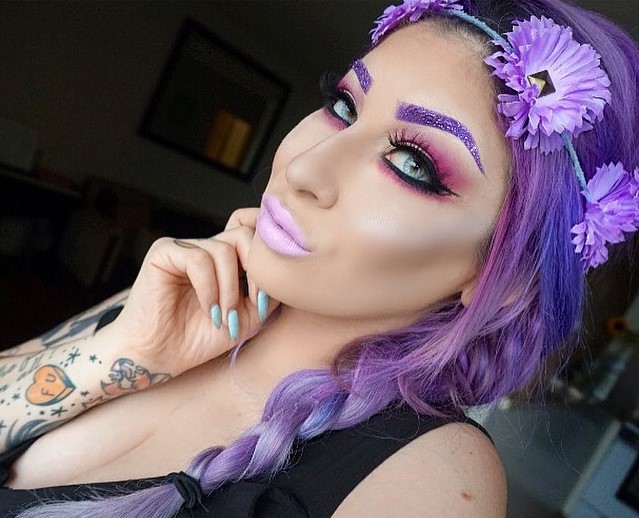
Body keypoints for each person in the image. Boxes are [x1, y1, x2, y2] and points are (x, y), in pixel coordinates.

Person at [2, 0, 639, 516]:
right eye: (343, 106)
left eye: (412, 163)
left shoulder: (433, 479)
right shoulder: (178, 300)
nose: (304, 167)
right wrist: (123, 354)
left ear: (505, 280)